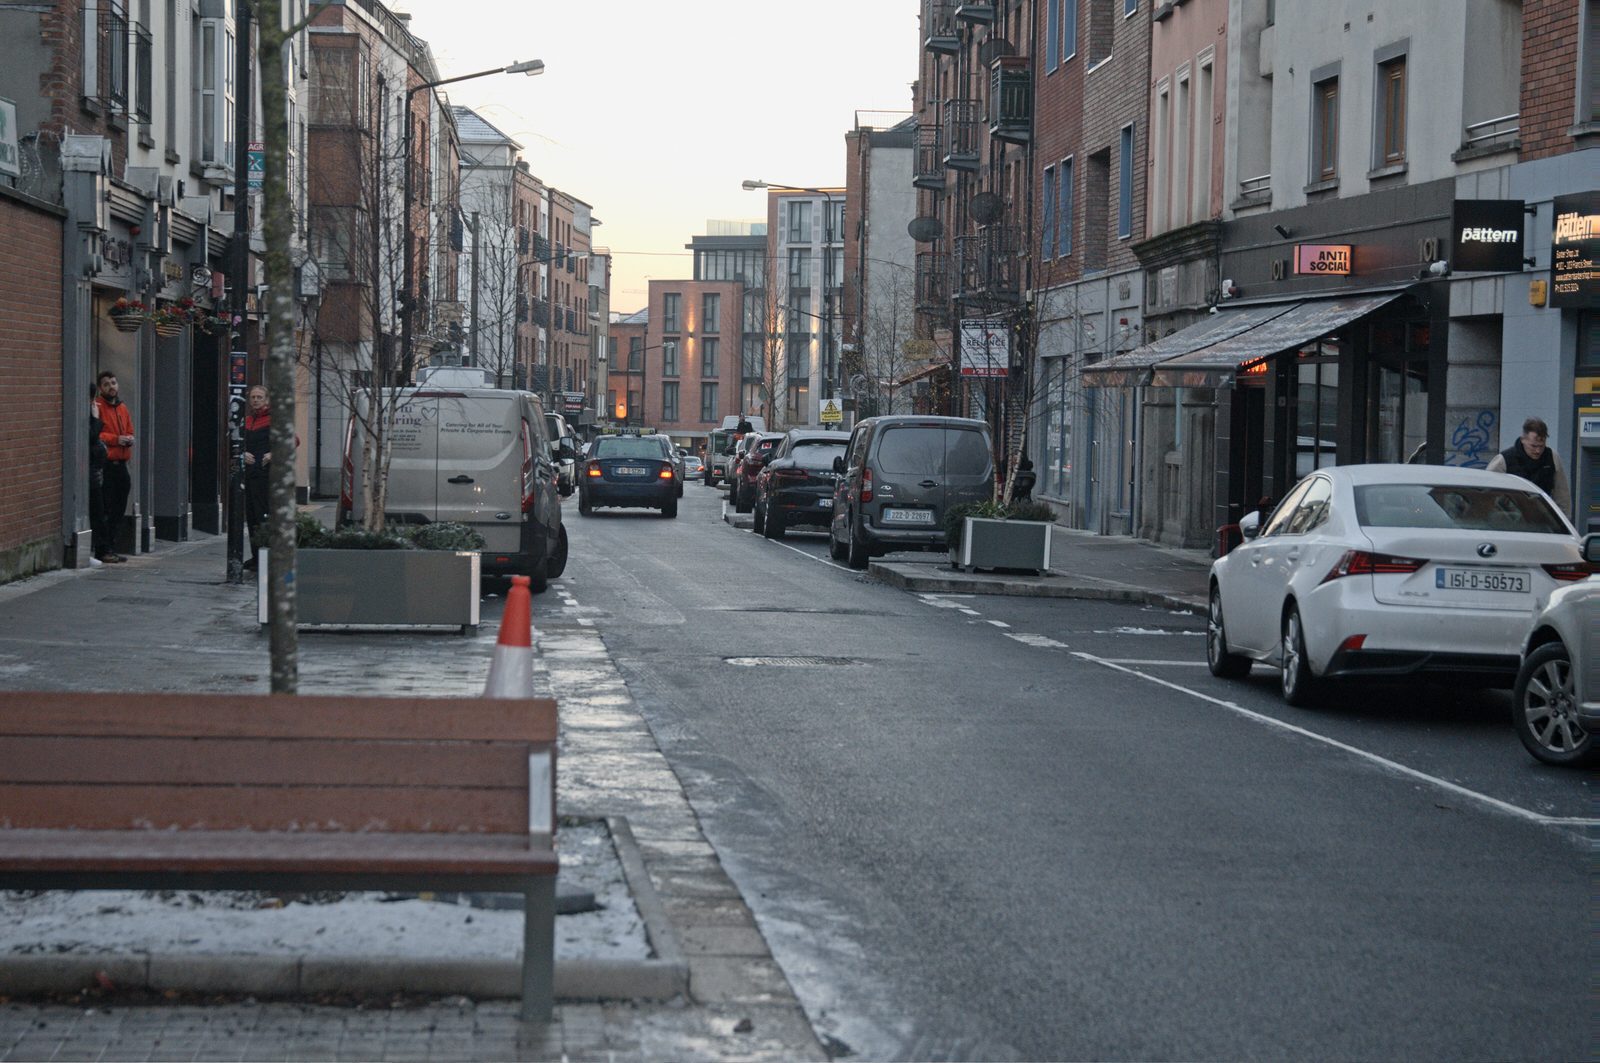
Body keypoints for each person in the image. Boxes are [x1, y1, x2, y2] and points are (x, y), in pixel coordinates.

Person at [1486, 416, 1572, 515]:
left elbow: (1562, 495)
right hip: (1511, 517)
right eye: (1533, 446)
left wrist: (1564, 521)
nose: (1538, 451)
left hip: (1542, 517)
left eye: (1541, 446)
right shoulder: (1504, 460)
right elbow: (1486, 492)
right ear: (1523, 439)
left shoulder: (1552, 458)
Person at [93, 371, 133, 562]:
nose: (112, 387)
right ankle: (103, 549)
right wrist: (117, 439)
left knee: (119, 508)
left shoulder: (122, 407)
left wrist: (129, 438)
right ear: (101, 388)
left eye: (114, 383)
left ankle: (111, 546)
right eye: (107, 384)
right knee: (107, 508)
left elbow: (130, 429)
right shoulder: (98, 406)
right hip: (107, 465)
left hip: (122, 464)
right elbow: (97, 434)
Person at [241, 384, 272, 570]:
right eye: (253, 397)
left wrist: (273, 454)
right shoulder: (247, 421)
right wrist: (243, 453)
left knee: (264, 517)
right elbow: (235, 443)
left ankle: (266, 556)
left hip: (266, 476)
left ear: (266, 400)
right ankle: (255, 557)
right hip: (250, 475)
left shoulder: (273, 420)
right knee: (251, 517)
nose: (256, 400)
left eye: (259, 397)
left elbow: (293, 440)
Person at [86, 387, 114, 565]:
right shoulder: (87, 416)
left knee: (99, 511)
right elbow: (90, 437)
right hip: (88, 472)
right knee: (96, 512)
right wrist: (96, 419)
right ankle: (98, 550)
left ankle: (101, 549)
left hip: (95, 471)